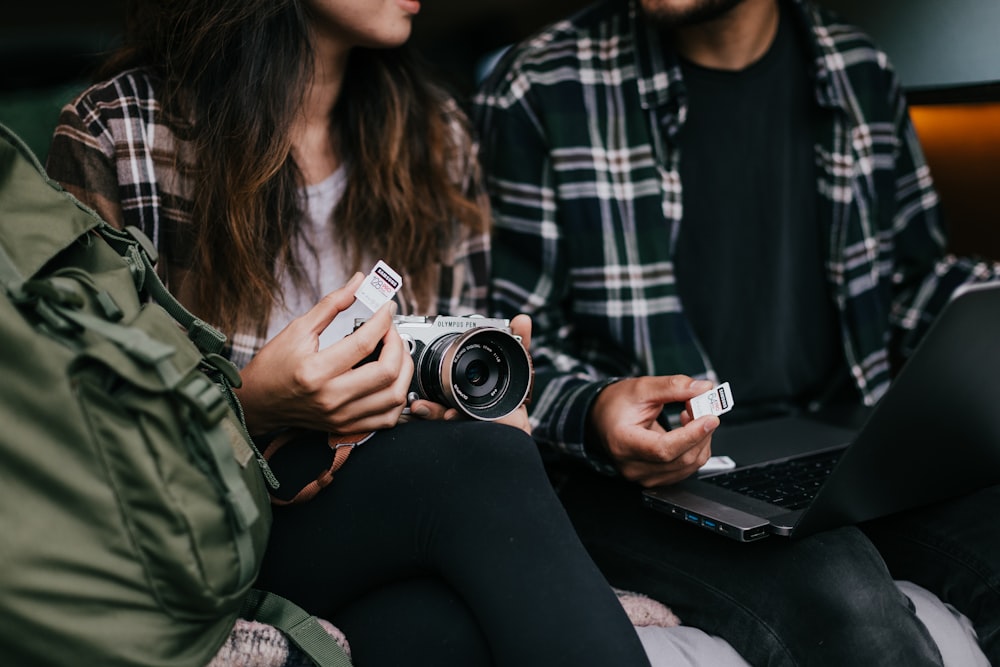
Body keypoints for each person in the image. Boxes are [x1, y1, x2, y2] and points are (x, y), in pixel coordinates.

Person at [44, 1, 655, 666]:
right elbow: (76, 432)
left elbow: (451, 370)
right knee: (482, 469)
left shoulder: (433, 133)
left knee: (448, 626)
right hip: (203, 528)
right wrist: (250, 402)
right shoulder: (122, 131)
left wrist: (473, 406)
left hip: (390, 528)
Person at [473, 0, 1000, 664]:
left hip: (847, 454)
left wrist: (983, 309)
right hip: (640, 484)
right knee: (850, 610)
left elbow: (908, 287)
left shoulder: (858, 71)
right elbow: (492, 354)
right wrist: (591, 411)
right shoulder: (540, 87)